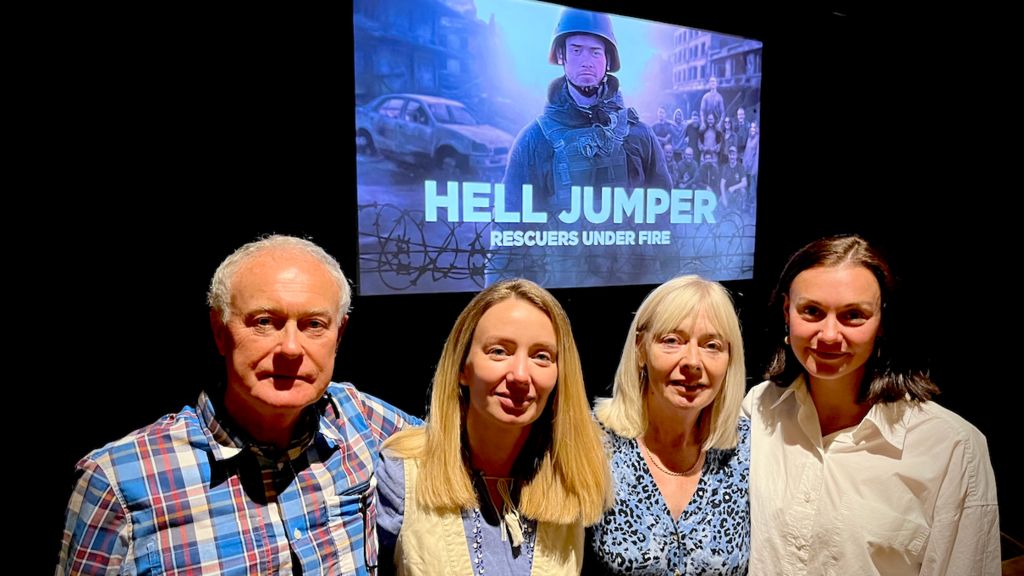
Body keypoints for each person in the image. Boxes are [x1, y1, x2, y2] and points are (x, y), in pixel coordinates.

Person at [57, 235, 420, 575]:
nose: (291, 349)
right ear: (219, 331)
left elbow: (460, 445)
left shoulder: (360, 419)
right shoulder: (119, 480)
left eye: (313, 325)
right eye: (264, 322)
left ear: (338, 335)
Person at [743, 234, 1000, 575]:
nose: (830, 335)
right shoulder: (757, 408)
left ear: (882, 322)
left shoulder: (953, 447)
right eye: (812, 311)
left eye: (853, 315)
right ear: (787, 312)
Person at [376, 279, 611, 575]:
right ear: (463, 367)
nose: (521, 375)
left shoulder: (574, 476)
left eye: (541, 356)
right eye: (499, 351)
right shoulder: (402, 474)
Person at [587, 275, 750, 575]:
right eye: (672, 341)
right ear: (640, 349)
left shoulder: (747, 451)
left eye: (711, 345)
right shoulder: (591, 442)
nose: (692, 362)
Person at [502, 7, 671, 213]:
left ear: (608, 59)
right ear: (561, 55)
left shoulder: (640, 135)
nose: (586, 61)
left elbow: (664, 215)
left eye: (595, 52)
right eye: (576, 50)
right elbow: (510, 223)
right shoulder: (534, 140)